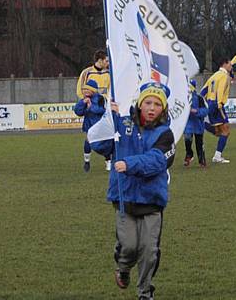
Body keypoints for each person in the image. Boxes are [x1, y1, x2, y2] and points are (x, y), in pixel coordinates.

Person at [92, 82, 175, 300]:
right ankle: (123, 267)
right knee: (129, 247)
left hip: (152, 200)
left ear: (163, 109)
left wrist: (129, 164)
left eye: (157, 104)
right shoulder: (123, 124)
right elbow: (99, 145)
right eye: (147, 102)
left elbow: (158, 161)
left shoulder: (166, 135)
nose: (151, 107)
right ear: (139, 104)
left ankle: (145, 292)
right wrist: (108, 119)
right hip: (125, 197)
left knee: (149, 251)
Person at [200, 58, 233, 163]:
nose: (231, 66)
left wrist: (200, 102)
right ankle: (217, 157)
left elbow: (203, 90)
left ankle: (204, 125)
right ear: (225, 64)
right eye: (230, 64)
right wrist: (219, 103)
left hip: (210, 104)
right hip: (217, 105)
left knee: (219, 131)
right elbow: (220, 89)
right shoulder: (224, 76)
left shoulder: (214, 76)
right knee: (226, 130)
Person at [73, 79, 106, 172]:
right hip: (89, 125)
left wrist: (90, 107)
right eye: (84, 89)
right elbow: (78, 112)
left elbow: (102, 110)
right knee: (87, 142)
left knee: (104, 143)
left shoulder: (101, 99)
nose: (85, 91)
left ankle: (108, 160)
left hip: (100, 125)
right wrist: (82, 103)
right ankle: (87, 162)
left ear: (93, 90)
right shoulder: (84, 100)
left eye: (87, 89)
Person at [183, 79, 208, 168]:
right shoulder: (183, 98)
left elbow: (205, 110)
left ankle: (202, 160)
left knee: (199, 143)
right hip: (188, 123)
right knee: (187, 140)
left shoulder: (199, 98)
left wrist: (196, 111)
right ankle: (189, 155)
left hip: (198, 123)